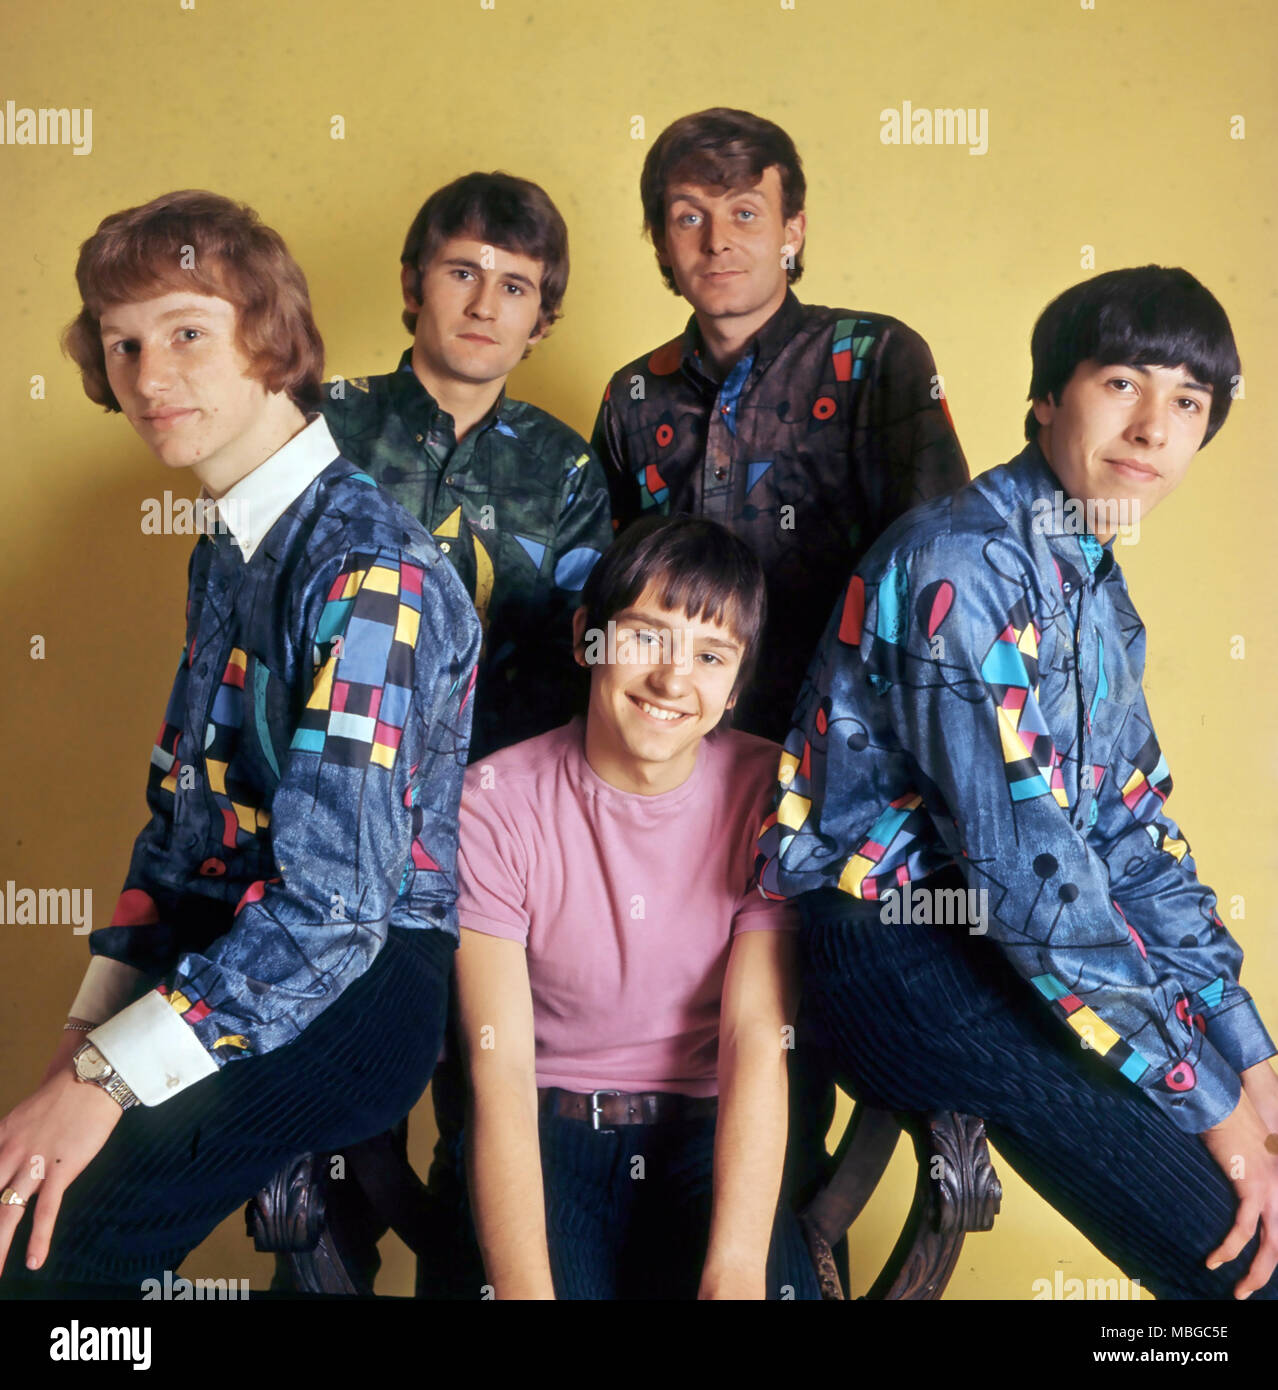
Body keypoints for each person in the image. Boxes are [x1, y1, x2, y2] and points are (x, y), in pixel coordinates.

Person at [757, 265, 1278, 1300]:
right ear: (1048, 397)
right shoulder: (959, 562)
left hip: (1002, 942)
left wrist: (1250, 1058)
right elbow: (1030, 877)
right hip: (898, 956)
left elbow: (1131, 841)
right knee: (1248, 1267)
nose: (1152, 426)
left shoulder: (1095, 588)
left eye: (1188, 401)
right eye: (1122, 382)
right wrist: (1212, 1104)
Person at [0, 190, 480, 1290]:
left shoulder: (372, 573)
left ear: (268, 339)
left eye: (185, 333)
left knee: (49, 1260)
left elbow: (333, 913)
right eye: (122, 345)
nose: (148, 376)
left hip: (358, 977)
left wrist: (104, 1086)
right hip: (233, 941)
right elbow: (181, 822)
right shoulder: (224, 547)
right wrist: (87, 1037)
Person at [590, 104, 971, 1241]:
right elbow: (612, 595)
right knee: (663, 1012)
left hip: (839, 779)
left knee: (788, 1028)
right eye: (689, 218)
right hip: (673, 761)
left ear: (795, 228)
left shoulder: (875, 357)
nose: (719, 241)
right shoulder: (633, 397)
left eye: (745, 212)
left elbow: (939, 571)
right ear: (660, 245)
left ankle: (781, 1250)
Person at [444, 517, 820, 1299]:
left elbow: (756, 1037)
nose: (673, 681)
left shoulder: (766, 795)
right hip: (546, 1136)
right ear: (588, 638)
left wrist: (737, 1273)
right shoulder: (493, 806)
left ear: (737, 682)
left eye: (711, 657)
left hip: (709, 1137)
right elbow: (500, 1066)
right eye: (646, 639)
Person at [323, 171, 613, 761]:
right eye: (463, 274)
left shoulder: (567, 468)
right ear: (413, 286)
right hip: (316, 784)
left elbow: (579, 663)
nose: (484, 307)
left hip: (488, 805)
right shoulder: (316, 425)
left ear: (542, 320)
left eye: (514, 287)